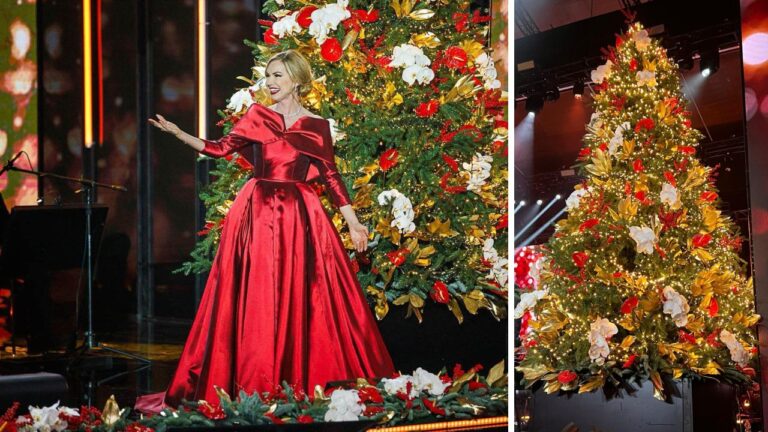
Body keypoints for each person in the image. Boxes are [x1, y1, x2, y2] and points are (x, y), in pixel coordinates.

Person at [136, 50, 395, 413]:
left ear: (297, 81)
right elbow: (219, 149)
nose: (270, 83)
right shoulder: (257, 116)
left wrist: (353, 221)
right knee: (254, 292)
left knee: (305, 293)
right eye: (268, 76)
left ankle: (303, 380)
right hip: (256, 211)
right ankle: (251, 379)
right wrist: (180, 134)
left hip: (299, 214)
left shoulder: (316, 125)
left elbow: (332, 178)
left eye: (278, 76)